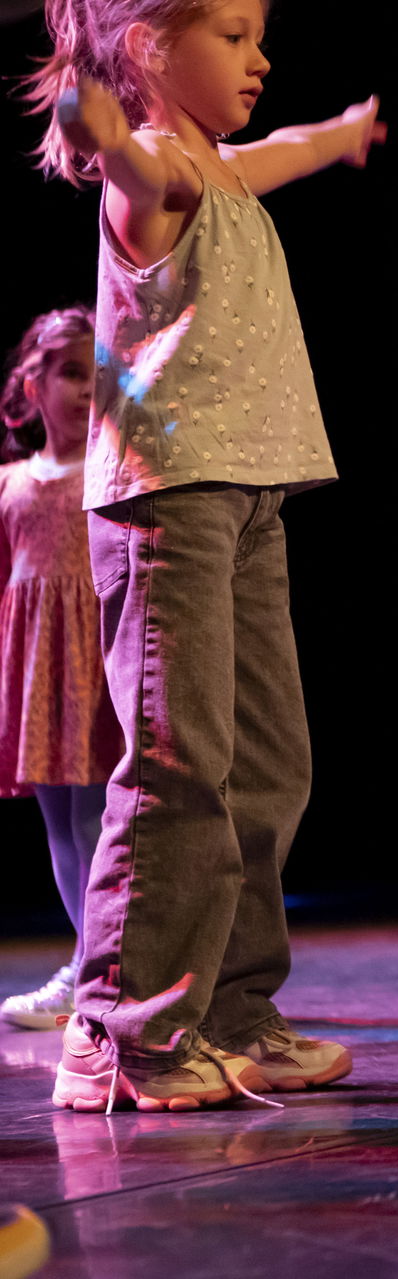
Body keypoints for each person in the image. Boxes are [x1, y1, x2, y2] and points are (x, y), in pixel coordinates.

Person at [26, 0, 384, 1110]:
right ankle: (125, 1027)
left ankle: (231, 1009)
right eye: (233, 34)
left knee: (269, 764)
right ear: (147, 48)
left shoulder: (223, 168)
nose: (260, 56)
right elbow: (139, 175)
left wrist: (339, 134)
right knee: (180, 766)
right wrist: (107, 132)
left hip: (252, 492)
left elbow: (276, 153)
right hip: (169, 505)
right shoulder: (161, 182)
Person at [0, 306, 120, 1032]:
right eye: (71, 373)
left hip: (99, 657)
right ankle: (86, 963)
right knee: (60, 819)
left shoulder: (112, 467)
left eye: (96, 376)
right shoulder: (11, 483)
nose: (84, 390)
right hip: (41, 666)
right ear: (31, 384)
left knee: (97, 814)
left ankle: (110, 964)